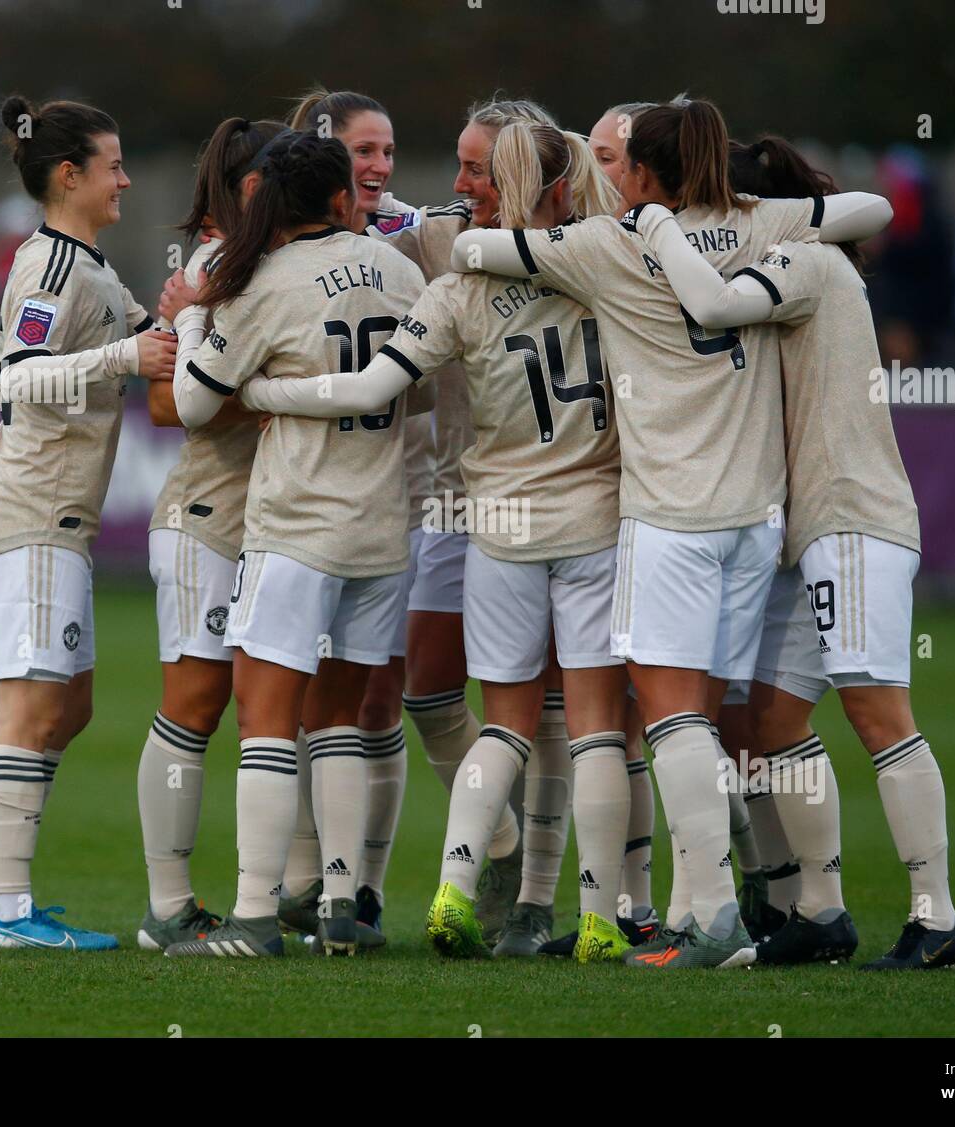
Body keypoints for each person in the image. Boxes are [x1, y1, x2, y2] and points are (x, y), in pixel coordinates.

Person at [448, 98, 893, 970]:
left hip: (669, 517)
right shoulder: (763, 221)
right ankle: (707, 905)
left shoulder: (606, 244)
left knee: (670, 719)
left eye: (620, 166)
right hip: (755, 522)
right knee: (713, 717)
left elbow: (475, 248)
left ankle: (712, 917)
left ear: (645, 176)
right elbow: (872, 209)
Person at [238, 121, 635, 964]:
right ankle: (598, 916)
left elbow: (380, 384)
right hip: (596, 519)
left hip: (498, 523)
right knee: (597, 728)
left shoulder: (459, 283)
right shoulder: (610, 258)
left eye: (479, 171)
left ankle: (455, 885)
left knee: (503, 726)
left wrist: (268, 387)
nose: (463, 184)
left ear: (510, 181)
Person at [637, 135, 955, 969]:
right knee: (770, 723)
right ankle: (821, 910)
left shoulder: (804, 260)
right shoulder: (803, 262)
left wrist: (649, 225)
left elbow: (709, 306)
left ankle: (937, 917)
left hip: (849, 516)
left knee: (878, 713)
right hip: (799, 529)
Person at [162, 130, 426, 959]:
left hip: (297, 522)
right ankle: (342, 909)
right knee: (342, 719)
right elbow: (422, 396)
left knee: (268, 723)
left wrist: (193, 313)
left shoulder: (264, 283)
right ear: (343, 197)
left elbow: (195, 405)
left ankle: (248, 919)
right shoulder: (403, 271)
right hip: (383, 524)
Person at [0, 95, 177, 950]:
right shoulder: (48, 268)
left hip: (61, 518)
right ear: (68, 175)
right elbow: (12, 376)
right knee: (31, 706)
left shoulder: (86, 263)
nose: (125, 178)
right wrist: (128, 356)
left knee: (70, 703)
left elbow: (150, 335)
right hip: (33, 511)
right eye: (113, 164)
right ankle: (9, 909)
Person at [368, 96, 573, 943]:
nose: (458, 182)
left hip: (575, 499)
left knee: (559, 707)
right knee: (432, 690)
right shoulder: (438, 233)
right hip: (457, 498)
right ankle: (499, 839)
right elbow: (354, 219)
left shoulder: (588, 239)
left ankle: (538, 897)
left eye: (477, 167)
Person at [275, 89, 430, 944]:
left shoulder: (411, 236)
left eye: (388, 151)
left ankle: (342, 890)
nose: (377, 168)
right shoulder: (267, 249)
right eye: (363, 152)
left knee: (361, 702)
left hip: (364, 505)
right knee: (310, 703)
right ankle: (311, 887)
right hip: (328, 507)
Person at [134, 116, 287, 951]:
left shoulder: (266, 261)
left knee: (270, 704)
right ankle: (168, 905)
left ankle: (295, 894)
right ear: (254, 185)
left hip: (272, 519)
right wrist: (275, 383)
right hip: (206, 515)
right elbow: (164, 403)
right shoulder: (210, 265)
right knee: (197, 701)